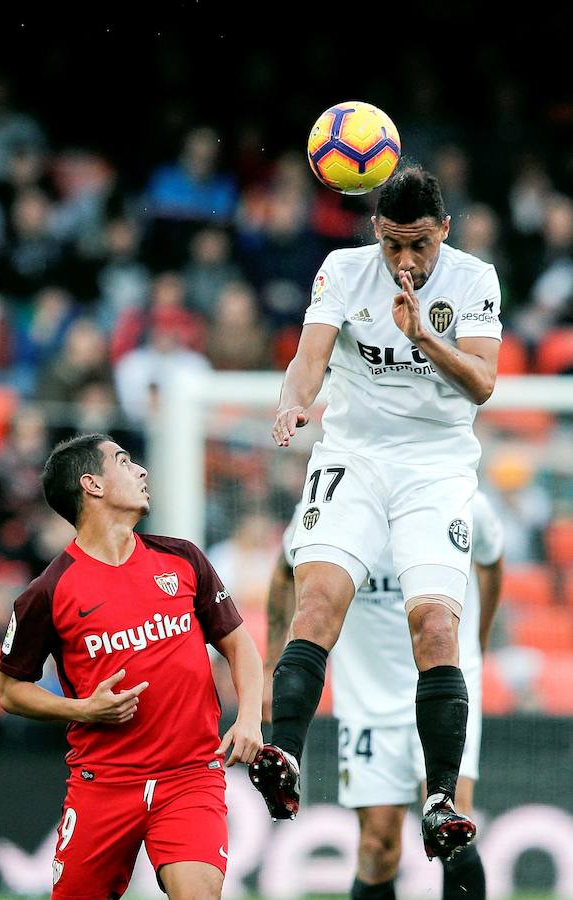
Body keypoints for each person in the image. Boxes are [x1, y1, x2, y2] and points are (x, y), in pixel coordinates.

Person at [250, 165, 502, 861]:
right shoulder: (342, 269)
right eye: (392, 244)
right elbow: (309, 358)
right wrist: (291, 400)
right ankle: (285, 756)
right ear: (374, 232)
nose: (404, 261)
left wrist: (423, 337)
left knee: (433, 626)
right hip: (352, 456)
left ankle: (440, 796)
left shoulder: (473, 279)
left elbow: (482, 383)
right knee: (317, 602)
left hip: (434, 466)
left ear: (443, 231)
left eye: (418, 244)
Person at [0, 433, 263, 900]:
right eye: (123, 461)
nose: (141, 470)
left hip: (189, 776)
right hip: (103, 783)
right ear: (92, 485)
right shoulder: (49, 591)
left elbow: (240, 646)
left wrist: (250, 717)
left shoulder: (182, 559)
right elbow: (8, 691)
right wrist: (84, 710)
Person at [263, 490, 504, 900]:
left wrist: (477, 642)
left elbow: (491, 562)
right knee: (377, 847)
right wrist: (272, 662)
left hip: (442, 691)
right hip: (367, 699)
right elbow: (286, 571)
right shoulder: (332, 507)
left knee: (452, 831)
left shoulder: (462, 501)